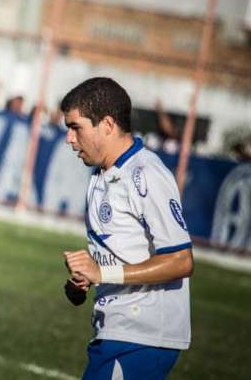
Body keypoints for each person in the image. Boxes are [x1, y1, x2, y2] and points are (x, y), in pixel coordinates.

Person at [59, 77, 193, 380]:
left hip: (142, 335)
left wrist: (101, 273)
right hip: (114, 330)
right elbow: (117, 258)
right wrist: (83, 282)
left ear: (107, 124)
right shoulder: (99, 176)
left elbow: (181, 260)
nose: (69, 138)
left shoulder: (146, 174)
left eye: (75, 127)